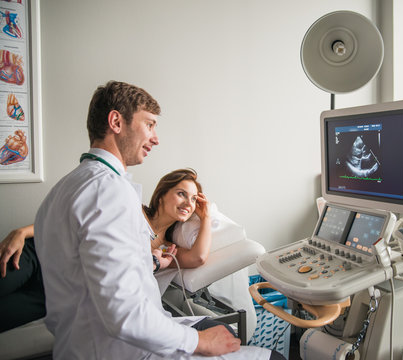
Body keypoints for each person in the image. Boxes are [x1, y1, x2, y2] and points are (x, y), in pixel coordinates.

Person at [29, 81, 277, 359]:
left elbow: (102, 271)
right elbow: (125, 315)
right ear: (116, 121)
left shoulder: (61, 190)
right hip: (122, 351)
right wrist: (198, 341)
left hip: (78, 344)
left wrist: (157, 260)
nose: (156, 138)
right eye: (149, 125)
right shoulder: (109, 191)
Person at [0, 169, 208, 332]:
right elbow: (72, 220)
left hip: (59, 290)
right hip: (39, 254)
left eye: (192, 199)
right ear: (162, 194)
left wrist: (206, 218)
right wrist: (23, 232)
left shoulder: (165, 251)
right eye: (181, 194)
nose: (187, 203)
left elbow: (198, 258)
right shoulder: (130, 207)